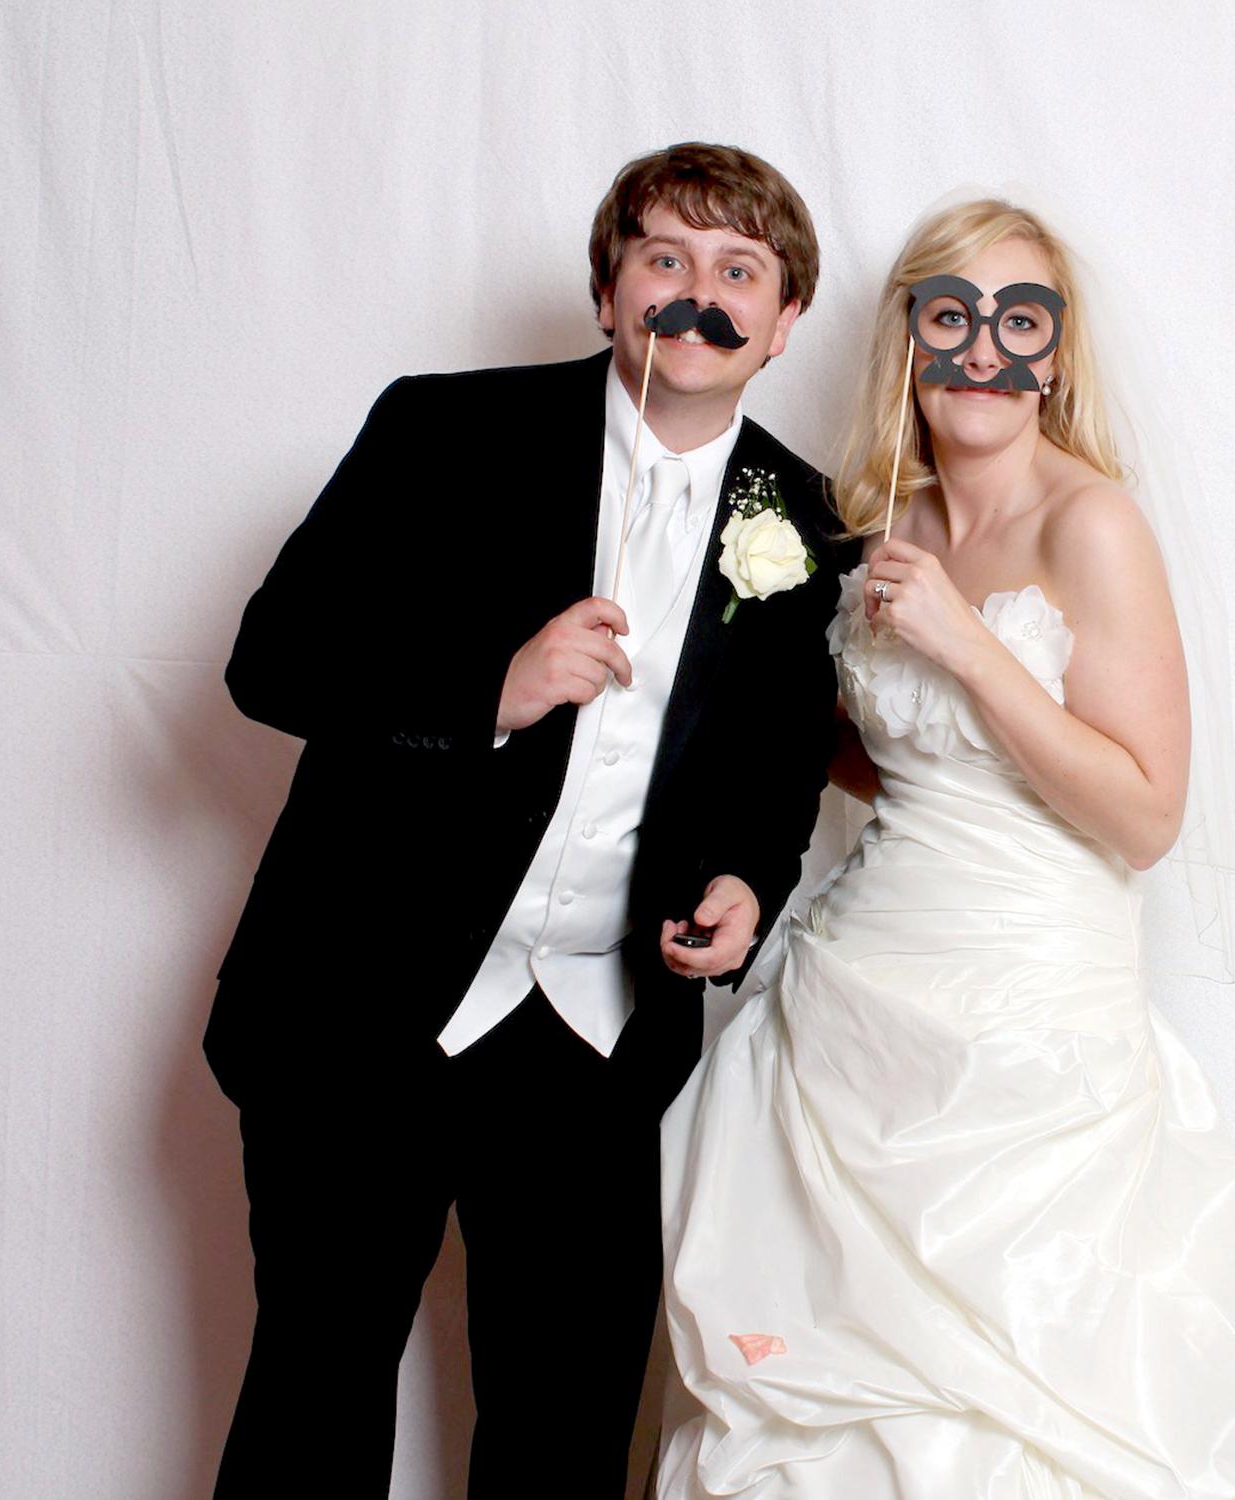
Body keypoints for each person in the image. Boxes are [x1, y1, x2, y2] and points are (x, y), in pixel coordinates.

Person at [657, 200, 1235, 1498]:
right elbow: (882, 756)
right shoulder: (885, 520)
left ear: (1054, 354)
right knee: (825, 1368)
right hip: (857, 1009)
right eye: (952, 317)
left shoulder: (1091, 525)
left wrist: (965, 645)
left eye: (1019, 318)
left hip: (1032, 1027)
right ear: (911, 341)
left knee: (1034, 1398)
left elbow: (1143, 812)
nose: (984, 349)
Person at [201, 142, 852, 1499]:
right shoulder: (445, 430)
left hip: (593, 1045)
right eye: (664, 258)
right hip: (359, 1013)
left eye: (741, 270)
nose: (699, 294)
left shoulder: (798, 518)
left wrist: (746, 882)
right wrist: (489, 690)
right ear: (611, 288)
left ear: (786, 321)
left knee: (563, 1431)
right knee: (315, 1400)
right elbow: (272, 659)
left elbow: (781, 766)